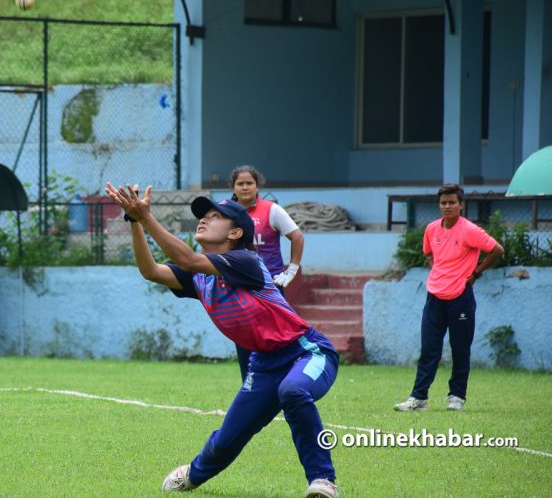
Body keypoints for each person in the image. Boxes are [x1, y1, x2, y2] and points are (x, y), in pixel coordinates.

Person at [104, 182, 340, 498]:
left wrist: (146, 217)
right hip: (264, 364)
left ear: (234, 234)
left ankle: (323, 481)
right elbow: (151, 271)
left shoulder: (246, 261)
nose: (203, 220)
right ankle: (193, 474)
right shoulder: (199, 275)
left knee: (293, 390)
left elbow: (187, 259)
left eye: (214, 216)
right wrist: (134, 221)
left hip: (307, 352)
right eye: (203, 215)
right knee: (229, 436)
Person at [395, 183, 504, 412]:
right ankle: (419, 398)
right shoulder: (432, 229)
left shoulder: (470, 230)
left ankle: (456, 397)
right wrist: (438, 272)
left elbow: (497, 250)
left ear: (461, 205)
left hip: (460, 297)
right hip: (434, 296)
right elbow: (427, 253)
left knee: (460, 348)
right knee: (429, 349)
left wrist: (475, 273)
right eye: (443, 203)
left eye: (452, 202)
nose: (447, 206)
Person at [229, 165, 305, 381]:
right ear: (233, 187)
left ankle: (282, 384)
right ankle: (249, 385)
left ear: (257, 185)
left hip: (270, 287)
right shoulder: (224, 212)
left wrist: (291, 271)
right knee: (244, 339)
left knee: (275, 340)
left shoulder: (271, 210)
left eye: (249, 183)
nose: (245, 187)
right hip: (240, 287)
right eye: (240, 183)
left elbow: (297, 237)